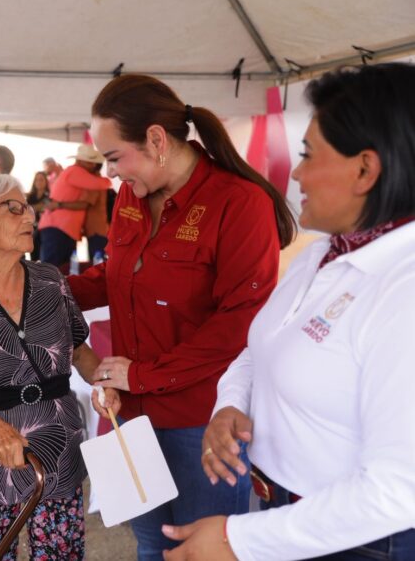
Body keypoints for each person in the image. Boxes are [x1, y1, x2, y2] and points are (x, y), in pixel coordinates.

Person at [164, 63, 415, 561]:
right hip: (291, 515)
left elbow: (400, 489)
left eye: (308, 154)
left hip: (364, 540)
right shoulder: (325, 254)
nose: (295, 172)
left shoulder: (403, 290)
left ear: (366, 169)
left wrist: (240, 540)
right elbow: (260, 348)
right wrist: (230, 405)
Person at [68, 74, 296, 560]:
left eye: (114, 158)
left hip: (203, 420)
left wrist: (144, 375)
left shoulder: (238, 203)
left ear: (155, 140)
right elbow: (118, 275)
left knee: (203, 550)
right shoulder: (132, 195)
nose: (110, 174)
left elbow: (240, 324)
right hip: (133, 413)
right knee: (151, 545)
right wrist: (40, 289)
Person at [0, 174, 120, 560]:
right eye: (13, 208)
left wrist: (103, 383)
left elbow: (78, 351)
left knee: (60, 554)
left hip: (56, 442)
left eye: (29, 208)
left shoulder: (51, 280)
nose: (30, 217)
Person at [37, 144, 111, 269]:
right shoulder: (75, 171)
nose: (93, 165)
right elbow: (103, 184)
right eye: (90, 162)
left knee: (61, 269)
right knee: (52, 269)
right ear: (80, 161)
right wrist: (105, 180)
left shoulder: (74, 172)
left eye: (94, 163)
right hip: (58, 227)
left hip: (62, 228)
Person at [26, 171, 50, 261]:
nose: (39, 182)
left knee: (43, 256)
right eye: (37, 180)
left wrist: (32, 207)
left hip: (44, 229)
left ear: (46, 181)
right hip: (31, 229)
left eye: (41, 180)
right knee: (33, 255)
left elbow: (45, 206)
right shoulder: (30, 196)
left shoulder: (49, 195)